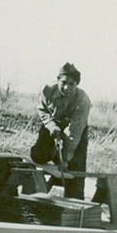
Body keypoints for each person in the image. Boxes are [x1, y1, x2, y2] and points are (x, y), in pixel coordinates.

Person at [30, 62, 92, 200]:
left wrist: (66, 156)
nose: (66, 87)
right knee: (37, 156)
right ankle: (54, 155)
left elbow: (74, 133)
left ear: (77, 85)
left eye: (72, 84)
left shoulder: (82, 101)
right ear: (58, 79)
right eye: (63, 82)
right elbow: (42, 110)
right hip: (51, 125)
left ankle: (75, 205)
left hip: (76, 131)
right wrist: (52, 126)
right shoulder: (47, 90)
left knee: (74, 168)